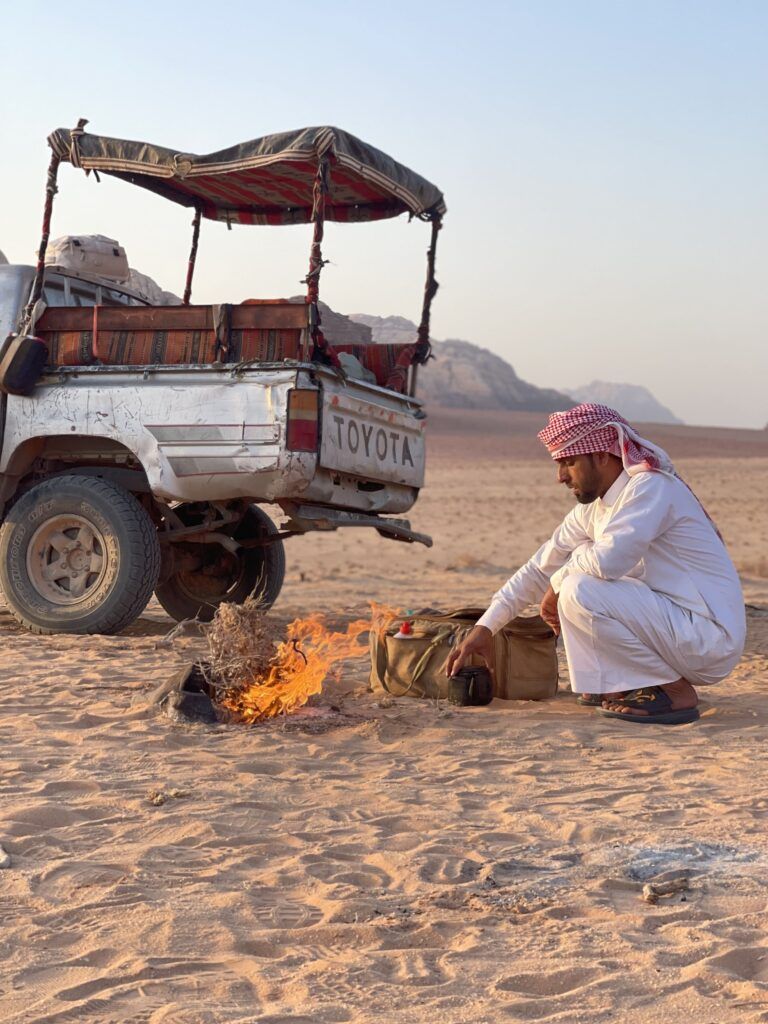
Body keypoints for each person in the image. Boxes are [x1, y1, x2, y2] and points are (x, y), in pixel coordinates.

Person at [446, 403, 746, 725]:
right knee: (577, 571)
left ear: (602, 455)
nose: (560, 476)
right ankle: (615, 684)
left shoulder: (650, 488)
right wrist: (486, 627)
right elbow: (538, 568)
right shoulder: (593, 510)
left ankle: (674, 692)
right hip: (676, 629)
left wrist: (558, 583)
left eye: (569, 462)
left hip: (707, 637)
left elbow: (609, 562)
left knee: (580, 587)